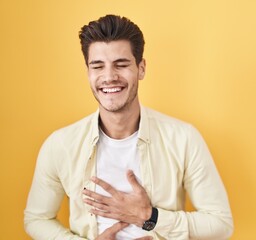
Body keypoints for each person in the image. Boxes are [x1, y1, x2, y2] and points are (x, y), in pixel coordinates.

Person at [24, 14, 233, 240]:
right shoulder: (60, 145)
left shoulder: (184, 138)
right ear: (88, 72)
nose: (109, 76)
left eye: (121, 64)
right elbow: (37, 219)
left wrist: (149, 216)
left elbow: (220, 224)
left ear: (141, 68)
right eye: (97, 66)